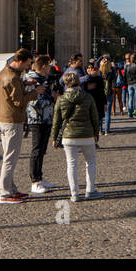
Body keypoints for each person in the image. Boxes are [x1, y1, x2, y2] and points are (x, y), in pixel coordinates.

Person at [0, 49, 42, 204]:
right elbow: (19, 101)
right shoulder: (12, 77)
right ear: (22, 61)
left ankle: (11, 188)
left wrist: (24, 83)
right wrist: (35, 92)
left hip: (5, 118)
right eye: (29, 63)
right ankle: (5, 192)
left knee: (9, 156)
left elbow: (12, 90)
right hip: (12, 120)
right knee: (10, 158)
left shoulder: (6, 72)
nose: (28, 67)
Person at [51, 71, 102, 200]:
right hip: (87, 134)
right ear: (79, 82)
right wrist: (96, 133)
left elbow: (56, 121)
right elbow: (95, 118)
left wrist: (54, 137)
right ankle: (90, 190)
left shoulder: (61, 99)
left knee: (71, 164)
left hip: (68, 135)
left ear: (65, 83)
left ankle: (74, 193)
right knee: (90, 162)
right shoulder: (88, 97)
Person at [24, 55, 58, 195]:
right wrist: (51, 98)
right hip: (37, 118)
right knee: (36, 150)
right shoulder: (31, 80)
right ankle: (35, 181)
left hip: (46, 118)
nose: (50, 68)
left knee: (42, 149)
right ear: (44, 66)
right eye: (49, 65)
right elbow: (33, 101)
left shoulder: (43, 79)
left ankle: (40, 177)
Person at [123, 53, 136, 119]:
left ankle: (130, 113)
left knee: (130, 98)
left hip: (130, 83)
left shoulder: (127, 66)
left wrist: (126, 82)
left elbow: (124, 75)